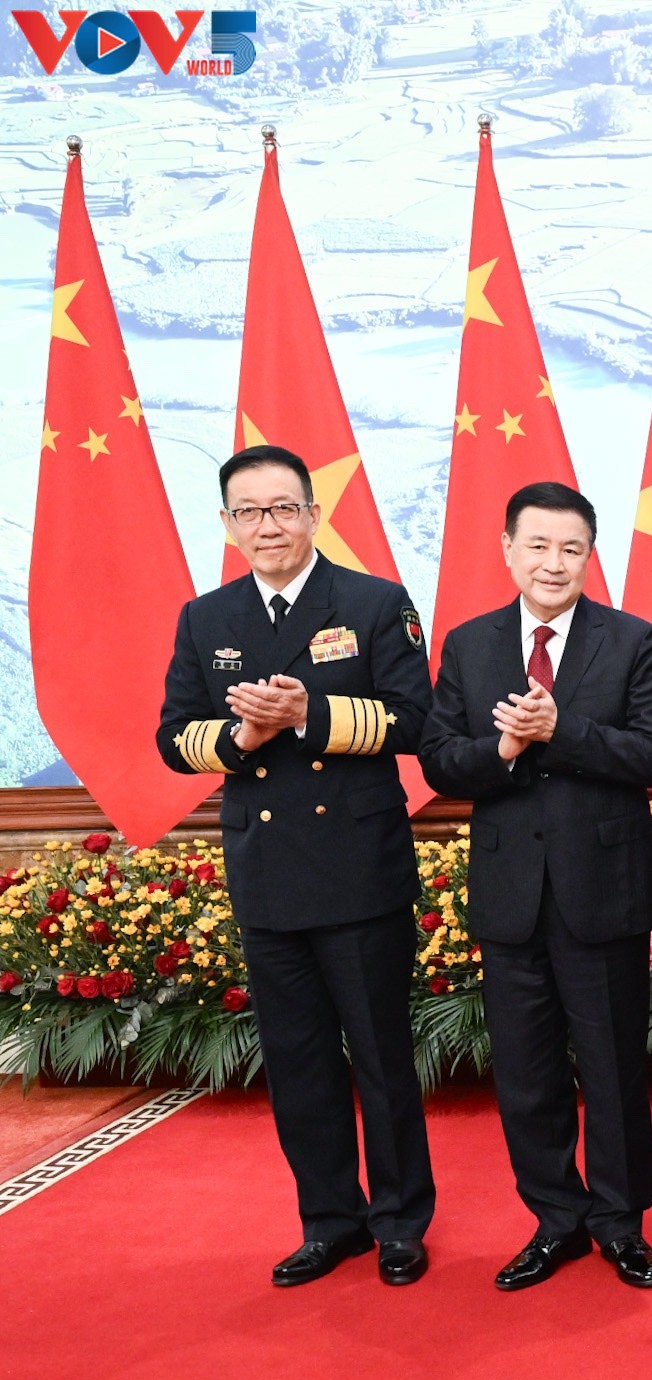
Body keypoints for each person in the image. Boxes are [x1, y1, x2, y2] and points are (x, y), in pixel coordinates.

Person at [157, 444, 434, 1287]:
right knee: (298, 1059)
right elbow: (173, 738)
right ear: (227, 524)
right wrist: (244, 735)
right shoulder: (205, 617)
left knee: (381, 1057)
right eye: (249, 511)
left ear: (314, 513)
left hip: (358, 867)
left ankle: (399, 1222)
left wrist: (311, 713)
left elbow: (415, 719)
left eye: (283, 507)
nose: (268, 525)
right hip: (268, 872)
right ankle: (329, 1220)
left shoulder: (374, 601)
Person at [419, 482, 652, 1291]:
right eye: (538, 545)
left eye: (571, 548)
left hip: (604, 890)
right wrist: (501, 749)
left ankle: (621, 1223)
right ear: (508, 549)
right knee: (526, 1073)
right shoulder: (469, 644)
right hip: (511, 895)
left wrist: (562, 731)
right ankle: (556, 1219)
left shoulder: (630, 639)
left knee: (613, 1068)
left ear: (589, 555)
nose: (553, 562)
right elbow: (438, 761)